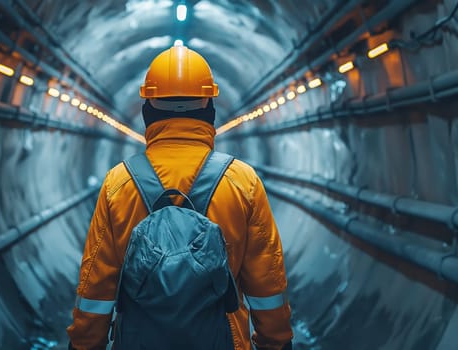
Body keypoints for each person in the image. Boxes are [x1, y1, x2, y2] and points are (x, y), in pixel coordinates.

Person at [67, 45, 293, 350]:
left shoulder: (118, 184)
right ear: (209, 109)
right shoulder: (242, 182)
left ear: (148, 109)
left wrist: (84, 345)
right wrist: (275, 344)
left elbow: (97, 286)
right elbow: (267, 285)